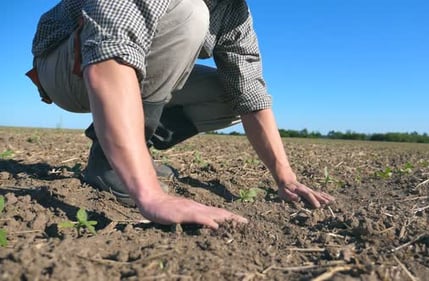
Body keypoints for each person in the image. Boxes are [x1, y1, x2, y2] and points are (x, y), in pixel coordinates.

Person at [27, 0, 333, 229]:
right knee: (189, 13)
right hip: (66, 66)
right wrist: (151, 196)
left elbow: (250, 92)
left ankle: (132, 151)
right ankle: (111, 163)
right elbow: (110, 53)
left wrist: (286, 178)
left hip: (115, 64)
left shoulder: (235, 12)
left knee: (231, 94)